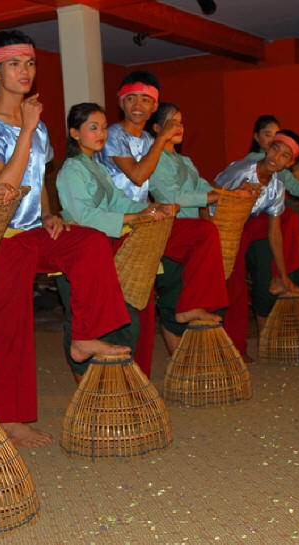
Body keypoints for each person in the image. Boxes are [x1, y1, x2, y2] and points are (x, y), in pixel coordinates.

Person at [0, 30, 131, 447]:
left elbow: (38, 179)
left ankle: (84, 337)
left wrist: (49, 214)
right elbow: (6, 184)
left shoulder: (37, 126)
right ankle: (8, 420)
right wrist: (26, 128)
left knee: (90, 242)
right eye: (14, 64)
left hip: (33, 232)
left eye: (30, 63)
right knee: (8, 330)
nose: (25, 71)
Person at [97, 72, 228, 362]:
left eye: (146, 100)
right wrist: (161, 139)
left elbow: (156, 187)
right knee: (131, 308)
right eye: (131, 99)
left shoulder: (147, 139)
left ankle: (164, 362)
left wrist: (225, 194)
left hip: (144, 223)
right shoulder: (113, 136)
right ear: (120, 102)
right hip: (116, 224)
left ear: (154, 106)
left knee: (156, 297)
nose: (138, 105)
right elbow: (138, 175)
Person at [55, 102, 173, 375]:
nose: (101, 134)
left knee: (123, 316)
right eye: (93, 127)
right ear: (74, 133)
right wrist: (133, 218)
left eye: (104, 127)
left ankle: (113, 381)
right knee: (86, 318)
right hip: (79, 254)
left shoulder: (97, 168)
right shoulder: (71, 170)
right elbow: (84, 217)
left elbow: (119, 202)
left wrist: (148, 209)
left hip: (102, 249)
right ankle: (88, 385)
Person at [215, 129, 299, 356]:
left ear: (290, 164)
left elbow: (274, 233)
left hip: (242, 229)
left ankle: (236, 349)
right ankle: (231, 350)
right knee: (231, 288)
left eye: (284, 155)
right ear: (267, 148)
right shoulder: (243, 170)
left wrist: (283, 275)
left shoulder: (276, 187)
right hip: (220, 225)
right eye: (275, 149)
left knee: (239, 289)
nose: (276, 157)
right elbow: (210, 193)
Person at [146, 102, 228, 353]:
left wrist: (230, 193)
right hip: (170, 230)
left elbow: (204, 187)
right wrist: (209, 197)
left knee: (186, 287)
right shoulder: (154, 159)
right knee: (173, 296)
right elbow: (172, 196)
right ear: (157, 128)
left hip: (192, 236)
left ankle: (190, 357)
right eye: (172, 122)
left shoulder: (186, 161)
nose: (179, 127)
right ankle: (179, 362)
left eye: (181, 122)